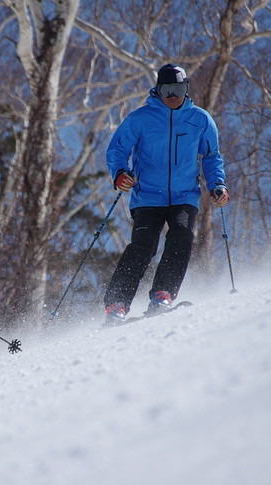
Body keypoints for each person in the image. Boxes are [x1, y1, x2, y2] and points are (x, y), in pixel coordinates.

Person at [103, 63, 229, 324]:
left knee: (181, 236)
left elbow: (212, 157)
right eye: (167, 89)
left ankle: (162, 294)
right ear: (158, 90)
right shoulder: (140, 118)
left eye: (178, 89)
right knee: (144, 246)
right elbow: (117, 150)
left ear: (186, 90)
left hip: (184, 196)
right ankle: (116, 304)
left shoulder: (200, 119)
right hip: (147, 196)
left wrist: (218, 184)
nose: (173, 95)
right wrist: (119, 173)